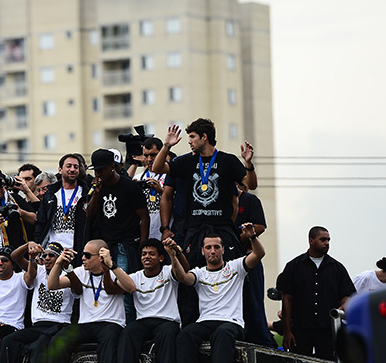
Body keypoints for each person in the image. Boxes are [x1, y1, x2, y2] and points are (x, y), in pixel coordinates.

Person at [152, 119, 256, 326]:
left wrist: (248, 164)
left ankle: (233, 323)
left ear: (204, 137)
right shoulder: (187, 161)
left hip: (223, 230)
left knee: (230, 277)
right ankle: (192, 325)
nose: (189, 141)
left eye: (192, 137)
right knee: (191, 279)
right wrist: (167, 145)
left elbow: (250, 185)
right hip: (194, 230)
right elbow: (157, 168)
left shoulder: (227, 160)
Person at [169, 223, 265, 363]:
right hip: (206, 321)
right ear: (202, 251)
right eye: (208, 247)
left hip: (231, 322)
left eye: (216, 247)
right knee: (186, 334)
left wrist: (252, 237)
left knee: (223, 332)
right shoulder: (199, 273)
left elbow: (259, 254)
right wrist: (172, 255)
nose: (212, 251)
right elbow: (183, 278)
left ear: (223, 250)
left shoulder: (235, 267)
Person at [38, 239, 125, 363]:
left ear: (100, 257)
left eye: (86, 255)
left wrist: (111, 265)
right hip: (86, 324)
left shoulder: (115, 272)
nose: (83, 259)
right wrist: (60, 262)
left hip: (111, 322)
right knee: (59, 339)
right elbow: (52, 285)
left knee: (109, 338)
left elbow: (130, 288)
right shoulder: (80, 272)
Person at [107, 238, 187, 363]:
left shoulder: (167, 271)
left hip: (167, 320)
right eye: (144, 254)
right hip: (143, 321)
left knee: (168, 333)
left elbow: (184, 270)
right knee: (128, 331)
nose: (147, 257)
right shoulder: (135, 277)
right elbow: (111, 288)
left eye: (152, 254)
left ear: (161, 258)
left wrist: (175, 253)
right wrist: (107, 267)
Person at [86, 148, 149, 321]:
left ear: (113, 166)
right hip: (106, 246)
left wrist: (142, 245)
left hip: (125, 244)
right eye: (96, 171)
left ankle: (129, 325)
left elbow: (144, 217)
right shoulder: (99, 188)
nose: (98, 174)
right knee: (107, 287)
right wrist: (96, 195)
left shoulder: (129, 187)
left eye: (101, 170)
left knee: (123, 287)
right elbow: (90, 216)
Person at [277, 226, 356, 360]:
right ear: (311, 241)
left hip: (327, 331)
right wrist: (287, 331)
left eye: (328, 240)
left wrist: (345, 306)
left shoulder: (337, 268)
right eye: (323, 239)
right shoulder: (294, 266)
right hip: (300, 329)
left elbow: (347, 296)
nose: (327, 243)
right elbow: (287, 299)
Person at [235, 182, 276, 347]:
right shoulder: (219, 201)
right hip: (225, 262)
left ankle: (262, 342)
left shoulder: (250, 200)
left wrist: (237, 239)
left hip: (248, 258)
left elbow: (260, 226)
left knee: (252, 304)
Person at [34, 154, 90, 255]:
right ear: (60, 170)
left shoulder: (86, 194)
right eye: (68, 166)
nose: (72, 169)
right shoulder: (51, 193)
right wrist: (38, 245)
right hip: (52, 252)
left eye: (76, 167)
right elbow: (41, 223)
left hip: (76, 252)